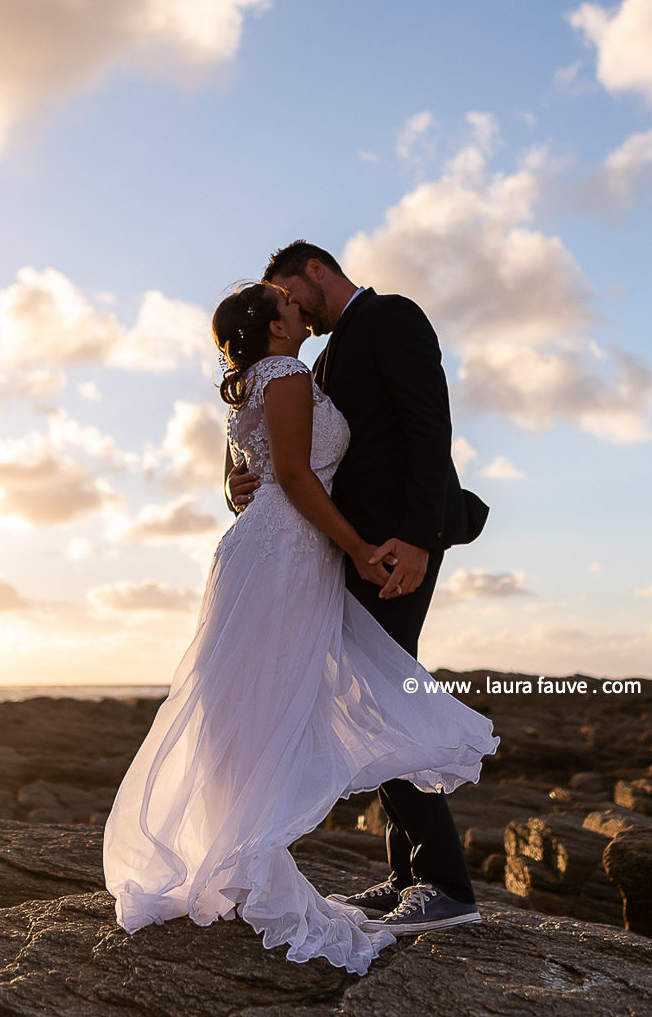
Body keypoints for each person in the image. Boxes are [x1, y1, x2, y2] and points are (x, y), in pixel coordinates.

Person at [102, 277, 498, 976]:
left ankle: (289, 855)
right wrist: (352, 545)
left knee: (268, 698)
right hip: (291, 549)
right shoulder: (285, 371)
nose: (296, 303)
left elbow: (254, 464)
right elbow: (287, 470)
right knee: (285, 699)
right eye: (283, 301)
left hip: (281, 550)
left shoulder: (265, 375)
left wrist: (237, 484)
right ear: (275, 325)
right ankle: (303, 860)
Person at [229, 240, 489, 935]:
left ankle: (445, 883)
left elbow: (429, 428)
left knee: (382, 697)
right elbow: (291, 449)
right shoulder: (320, 358)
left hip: (395, 546)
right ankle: (408, 871)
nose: (284, 305)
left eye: (286, 290)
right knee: (367, 693)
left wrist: (417, 536)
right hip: (352, 552)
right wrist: (239, 474)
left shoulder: (394, 317)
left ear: (314, 271)